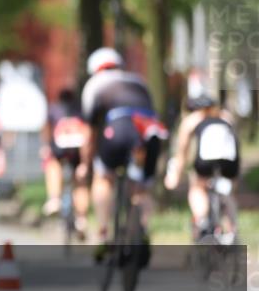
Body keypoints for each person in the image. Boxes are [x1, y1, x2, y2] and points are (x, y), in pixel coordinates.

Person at [80, 47, 166, 258]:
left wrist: (85, 162)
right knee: (141, 188)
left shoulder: (94, 84)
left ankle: (103, 233)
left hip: (119, 130)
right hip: (146, 132)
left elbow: (90, 130)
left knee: (104, 178)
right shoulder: (139, 81)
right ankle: (142, 229)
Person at [164, 92, 240, 243]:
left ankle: (202, 220)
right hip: (230, 161)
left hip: (205, 160)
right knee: (228, 194)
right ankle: (232, 229)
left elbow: (182, 152)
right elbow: (236, 142)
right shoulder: (225, 116)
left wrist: (175, 175)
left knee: (197, 187)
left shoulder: (192, 119)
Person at [40, 87, 90, 238]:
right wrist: (85, 162)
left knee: (52, 163)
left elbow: (46, 129)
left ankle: (54, 199)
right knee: (80, 181)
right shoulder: (82, 110)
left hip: (60, 146)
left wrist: (46, 147)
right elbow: (87, 132)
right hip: (79, 148)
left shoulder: (54, 108)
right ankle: (82, 219)